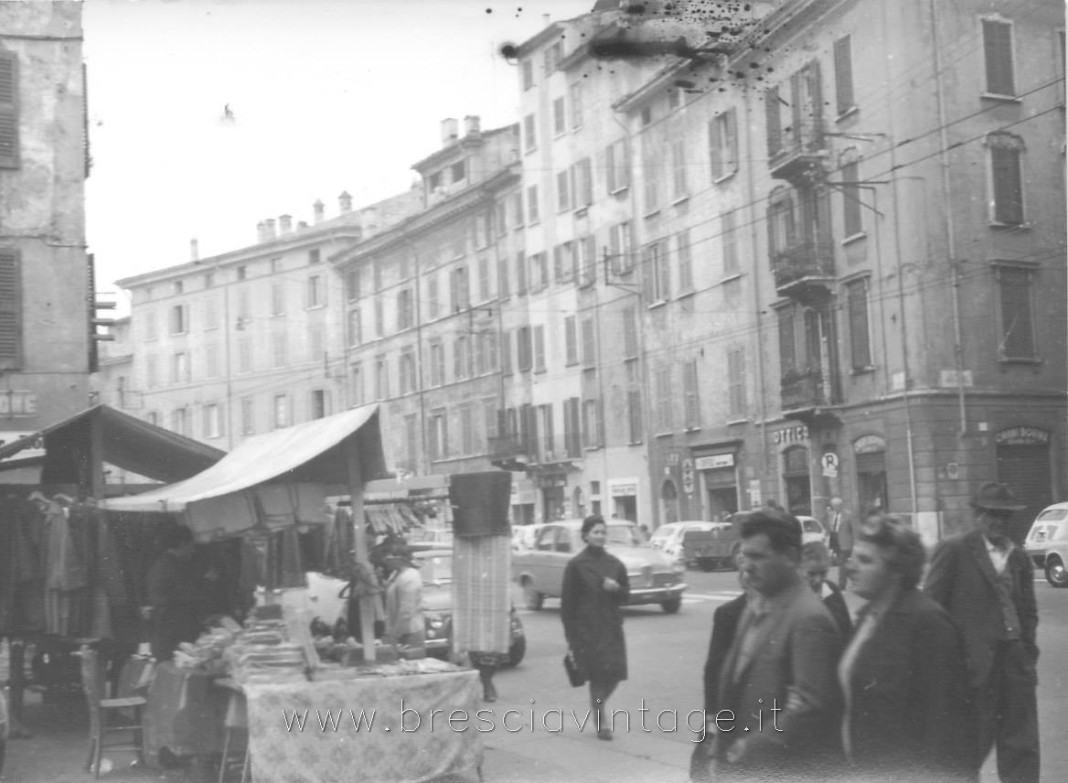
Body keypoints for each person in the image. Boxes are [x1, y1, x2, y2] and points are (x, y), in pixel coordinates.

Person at [840, 515, 975, 781]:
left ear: (896, 571)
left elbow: (947, 727)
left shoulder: (927, 623)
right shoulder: (867, 616)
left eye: (866, 561)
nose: (851, 568)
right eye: (853, 558)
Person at [711, 510, 842, 778]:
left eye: (758, 556)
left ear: (791, 557)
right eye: (745, 555)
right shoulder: (757, 603)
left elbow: (809, 707)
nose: (746, 565)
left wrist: (748, 747)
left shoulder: (809, 617)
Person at [924, 482, 1040, 783]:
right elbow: (931, 612)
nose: (999, 521)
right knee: (966, 750)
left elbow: (1028, 611)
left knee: (1022, 747)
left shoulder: (1019, 558)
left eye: (1005, 516)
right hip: (973, 669)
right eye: (992, 514)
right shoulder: (954, 550)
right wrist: (948, 665)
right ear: (978, 515)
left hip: (1015, 666)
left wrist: (1028, 653)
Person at [561, 515, 630, 741]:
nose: (600, 536)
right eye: (596, 532)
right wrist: (572, 638)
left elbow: (626, 597)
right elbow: (567, 606)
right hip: (587, 631)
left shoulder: (615, 564)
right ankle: (601, 721)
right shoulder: (576, 566)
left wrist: (617, 588)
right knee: (598, 677)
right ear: (585, 536)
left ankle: (597, 706)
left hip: (611, 628)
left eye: (603, 532)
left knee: (616, 674)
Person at [143, 525, 215, 662]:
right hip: (173, 633)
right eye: (191, 546)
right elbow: (188, 594)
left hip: (167, 630)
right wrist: (207, 581)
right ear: (182, 544)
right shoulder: (170, 567)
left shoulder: (165, 563)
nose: (193, 551)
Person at [800, 541, 853, 637]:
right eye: (812, 574)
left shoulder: (832, 590)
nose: (818, 580)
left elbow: (847, 630)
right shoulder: (791, 598)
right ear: (799, 570)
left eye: (823, 573)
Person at [383, 545, 425, 648]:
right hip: (396, 630)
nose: (386, 561)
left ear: (398, 559)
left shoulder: (410, 577)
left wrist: (396, 634)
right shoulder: (396, 574)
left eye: (388, 558)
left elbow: (406, 611)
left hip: (408, 632)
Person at [827, 497, 859, 589]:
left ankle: (841, 585)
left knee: (842, 563)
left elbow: (854, 530)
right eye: (834, 505)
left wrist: (855, 544)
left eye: (838, 505)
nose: (836, 507)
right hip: (835, 542)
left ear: (841, 505)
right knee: (842, 563)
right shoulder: (830, 514)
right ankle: (854, 580)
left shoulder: (848, 515)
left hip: (845, 542)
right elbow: (830, 527)